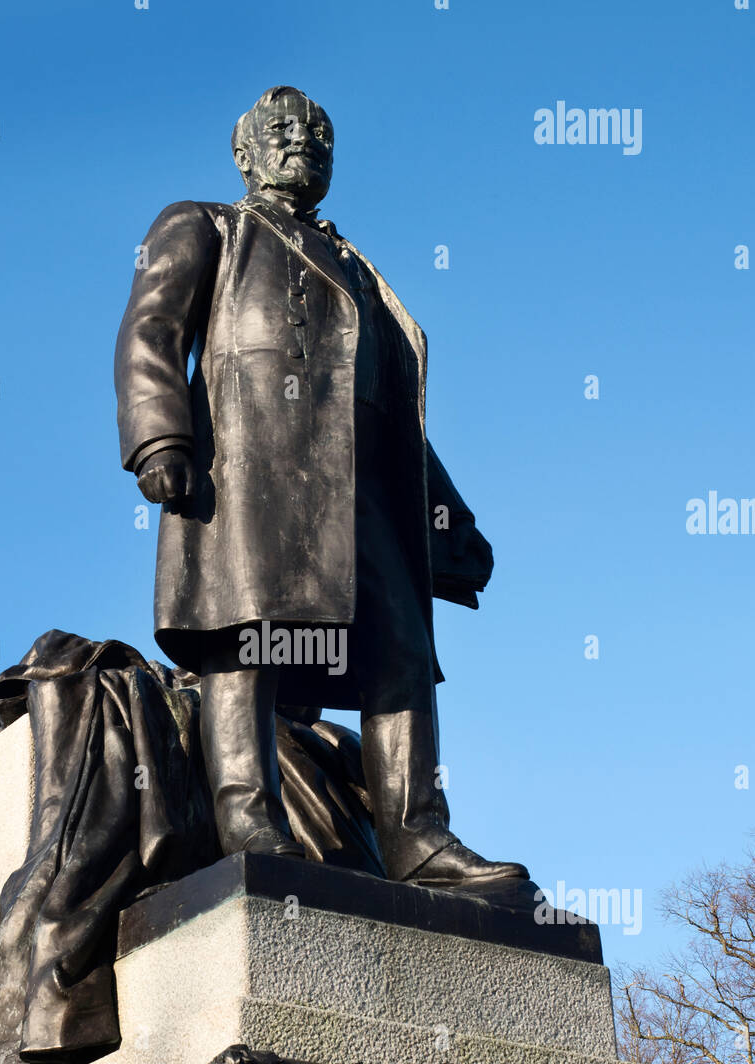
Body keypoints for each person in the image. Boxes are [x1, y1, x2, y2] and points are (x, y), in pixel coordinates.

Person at [114, 86, 526, 889]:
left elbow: (389, 411)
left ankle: (418, 837)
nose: (302, 140)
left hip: (363, 491)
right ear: (243, 153)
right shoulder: (206, 225)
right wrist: (161, 436)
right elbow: (150, 330)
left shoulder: (358, 267)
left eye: (318, 133)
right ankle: (248, 816)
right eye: (281, 129)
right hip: (248, 469)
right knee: (250, 628)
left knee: (401, 655)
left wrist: (447, 519)